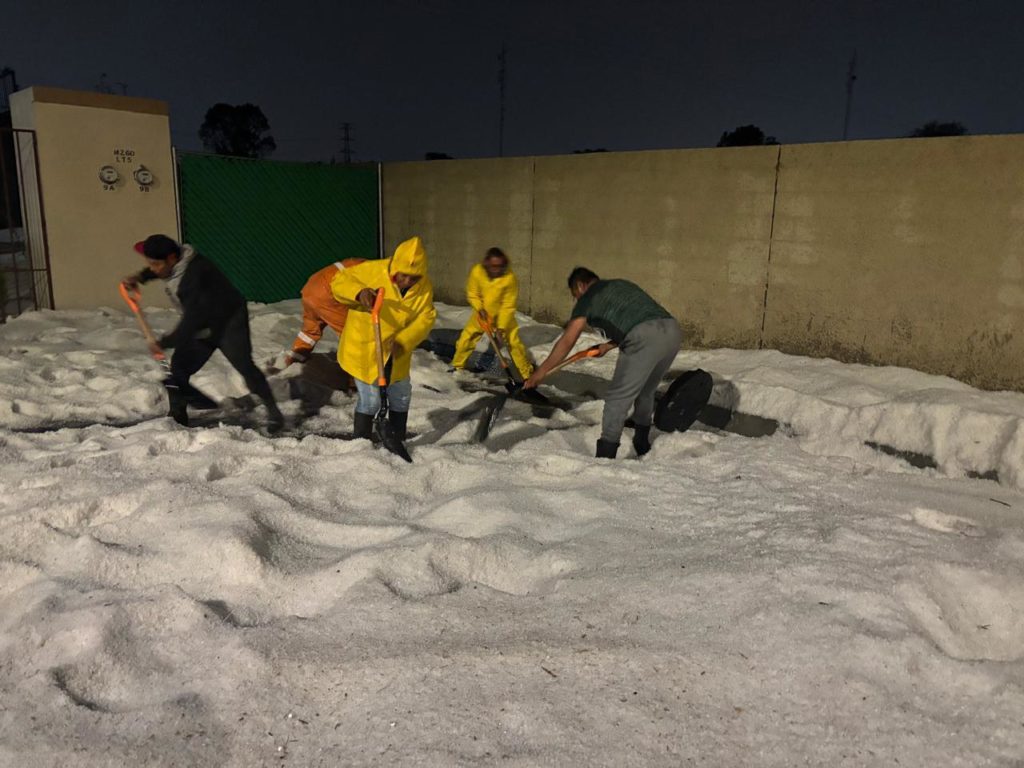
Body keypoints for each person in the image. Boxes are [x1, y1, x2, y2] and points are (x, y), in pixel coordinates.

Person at [122, 234, 285, 431]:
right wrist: (140, 277)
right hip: (201, 318)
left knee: (244, 366)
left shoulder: (194, 277)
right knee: (178, 371)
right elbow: (162, 271)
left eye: (156, 264)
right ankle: (177, 416)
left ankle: (274, 412)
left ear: (172, 258)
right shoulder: (175, 264)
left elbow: (192, 321)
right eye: (151, 264)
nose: (154, 268)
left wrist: (165, 342)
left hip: (228, 321)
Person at [524, 267, 682, 459]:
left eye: (575, 295)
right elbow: (639, 318)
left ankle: (605, 459)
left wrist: (540, 373)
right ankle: (641, 441)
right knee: (646, 390)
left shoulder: (588, 298)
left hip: (644, 338)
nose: (576, 300)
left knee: (617, 399)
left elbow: (567, 340)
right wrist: (608, 346)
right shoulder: (621, 285)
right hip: (672, 332)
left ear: (581, 286)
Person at [330, 236, 436, 441]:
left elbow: (427, 316)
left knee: (401, 396)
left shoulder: (424, 287)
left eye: (413, 278)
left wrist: (405, 340)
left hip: (396, 351)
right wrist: (359, 292)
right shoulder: (372, 270)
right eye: (402, 275)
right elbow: (339, 282)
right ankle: (361, 443)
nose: (407, 281)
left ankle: (397, 439)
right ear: (395, 267)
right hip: (366, 348)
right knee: (371, 402)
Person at [265, 258, 365, 373]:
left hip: (311, 289)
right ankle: (355, 378)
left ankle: (296, 357)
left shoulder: (361, 263)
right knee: (353, 335)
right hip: (327, 294)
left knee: (310, 331)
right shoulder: (375, 272)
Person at [450, 247, 534, 378]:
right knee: (466, 339)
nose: (496, 269)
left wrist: (501, 327)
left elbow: (508, 305)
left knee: (514, 345)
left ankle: (527, 375)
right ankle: (457, 366)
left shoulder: (509, 278)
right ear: (487, 264)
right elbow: (472, 293)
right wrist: (479, 308)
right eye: (493, 266)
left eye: (500, 266)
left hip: (503, 316)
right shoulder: (477, 272)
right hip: (482, 315)